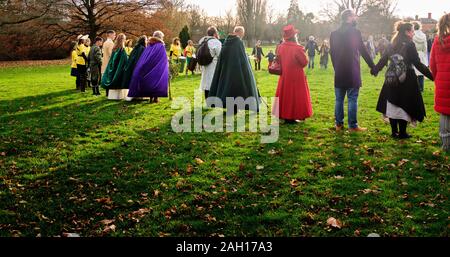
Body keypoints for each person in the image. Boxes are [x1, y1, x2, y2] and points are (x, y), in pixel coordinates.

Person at [371, 21, 434, 139]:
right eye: (412, 31)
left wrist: (375, 69)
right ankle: (402, 133)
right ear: (406, 32)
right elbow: (417, 63)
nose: (413, 33)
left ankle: (394, 132)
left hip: (391, 78)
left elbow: (384, 59)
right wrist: (431, 75)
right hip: (407, 79)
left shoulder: (392, 43)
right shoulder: (410, 44)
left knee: (393, 103)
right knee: (404, 104)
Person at [330, 9, 375, 132]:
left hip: (339, 70)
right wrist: (373, 66)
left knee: (339, 99)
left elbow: (332, 53)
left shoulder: (334, 34)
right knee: (352, 98)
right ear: (349, 17)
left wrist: (336, 67)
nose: (356, 18)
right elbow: (363, 51)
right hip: (352, 70)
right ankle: (353, 126)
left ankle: (338, 124)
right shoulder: (355, 32)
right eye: (354, 16)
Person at [207, 26, 260, 114]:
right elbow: (242, 58)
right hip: (237, 71)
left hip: (226, 72)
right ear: (240, 33)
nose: (242, 36)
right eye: (242, 34)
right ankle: (234, 108)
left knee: (229, 89)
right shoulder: (238, 42)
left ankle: (231, 109)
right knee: (236, 90)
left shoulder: (226, 42)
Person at [272, 25, 313, 124]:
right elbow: (304, 62)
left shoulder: (280, 47)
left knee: (285, 94)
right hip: (296, 75)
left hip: (285, 75)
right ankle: (294, 116)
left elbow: (278, 60)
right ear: (294, 36)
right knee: (296, 96)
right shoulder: (297, 48)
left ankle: (283, 115)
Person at [128, 31, 169, 103]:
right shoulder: (160, 46)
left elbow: (146, 57)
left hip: (148, 66)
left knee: (150, 81)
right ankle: (155, 99)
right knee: (157, 82)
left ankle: (150, 98)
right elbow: (163, 58)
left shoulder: (150, 45)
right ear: (160, 37)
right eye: (162, 37)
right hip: (158, 67)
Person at [430, 13, 450, 151]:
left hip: (443, 82)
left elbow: (432, 65)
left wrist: (438, 78)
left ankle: (446, 145)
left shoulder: (437, 41)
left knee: (445, 113)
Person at [101, 33, 129, 100]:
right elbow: (124, 60)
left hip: (113, 67)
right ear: (122, 40)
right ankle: (119, 96)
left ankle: (112, 96)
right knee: (118, 81)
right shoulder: (122, 50)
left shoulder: (114, 48)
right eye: (124, 39)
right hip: (119, 68)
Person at [199, 26, 222, 99]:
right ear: (215, 33)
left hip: (204, 64)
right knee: (213, 82)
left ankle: (207, 100)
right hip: (213, 65)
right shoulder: (216, 42)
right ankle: (212, 101)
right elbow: (220, 55)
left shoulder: (203, 40)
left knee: (206, 82)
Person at [123, 35, 148, 100]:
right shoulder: (142, 48)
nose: (147, 41)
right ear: (144, 41)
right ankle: (139, 96)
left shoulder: (136, 47)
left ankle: (135, 96)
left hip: (133, 66)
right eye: (146, 40)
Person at [412, 21, 428, 93]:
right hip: (421, 54)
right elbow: (425, 47)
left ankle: (414, 88)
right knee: (421, 72)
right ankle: (421, 88)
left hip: (413, 53)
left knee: (413, 72)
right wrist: (424, 55)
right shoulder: (423, 35)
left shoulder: (411, 34)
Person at [102, 30, 116, 96]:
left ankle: (107, 93)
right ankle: (109, 93)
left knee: (107, 78)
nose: (115, 36)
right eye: (114, 35)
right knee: (109, 78)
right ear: (110, 35)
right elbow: (111, 54)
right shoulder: (110, 43)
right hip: (109, 63)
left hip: (105, 62)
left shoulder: (105, 42)